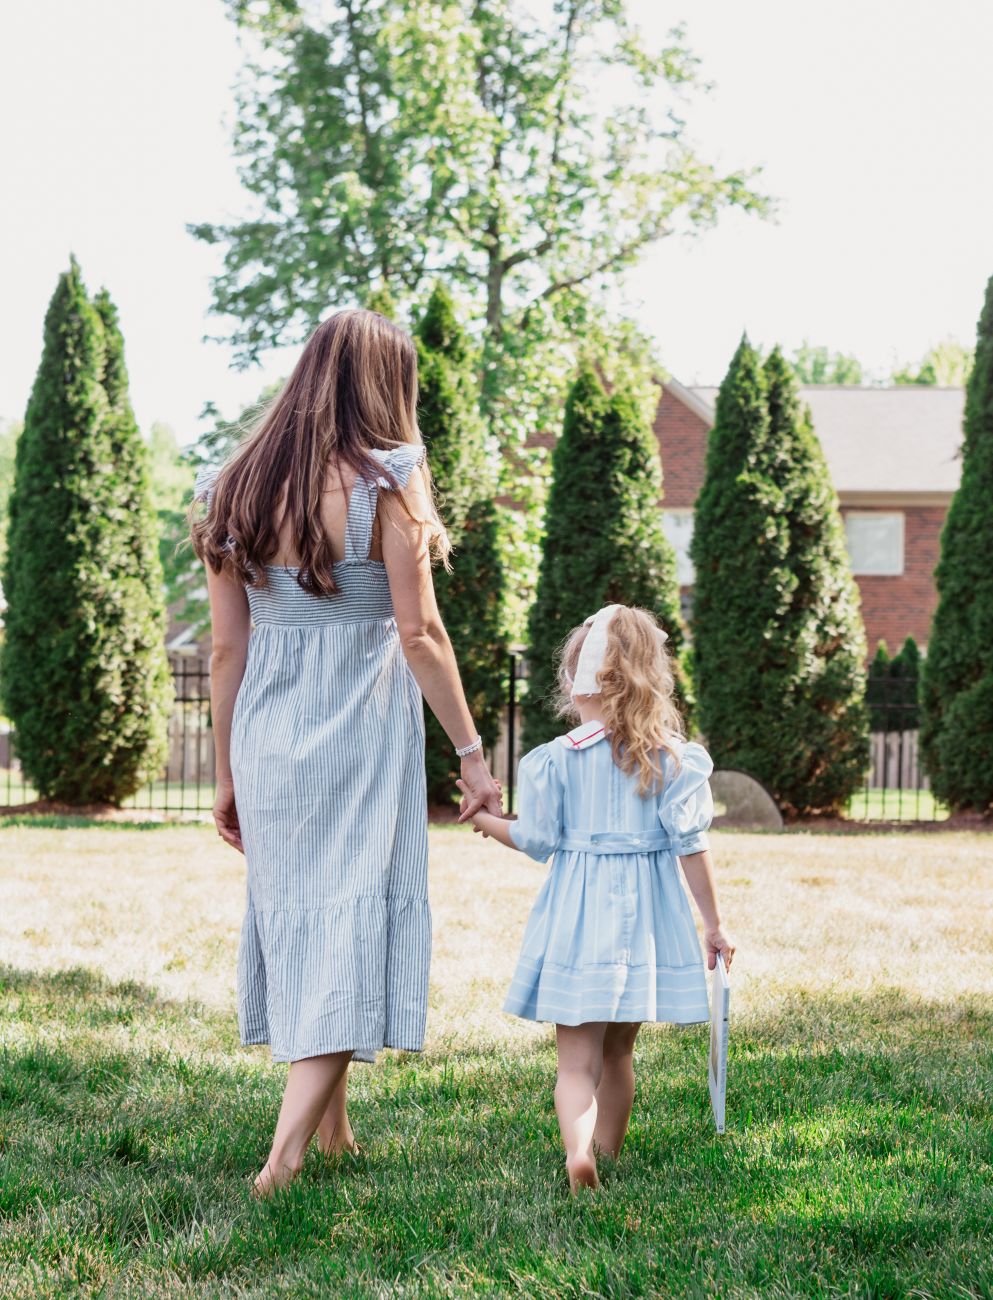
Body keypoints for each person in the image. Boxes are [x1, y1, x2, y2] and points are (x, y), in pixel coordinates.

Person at [191, 308, 502, 1197]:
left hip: (268, 732)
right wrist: (472, 756)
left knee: (305, 922)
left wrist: (225, 773)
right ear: (384, 385)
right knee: (351, 925)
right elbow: (421, 634)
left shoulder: (232, 486)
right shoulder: (391, 479)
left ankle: (335, 1135)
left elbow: (225, 651)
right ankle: (282, 1158)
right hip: (360, 729)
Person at [460, 604, 735, 1193]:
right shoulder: (672, 760)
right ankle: (606, 1152)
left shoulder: (556, 760)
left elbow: (535, 840)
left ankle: (578, 1153)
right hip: (645, 927)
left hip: (577, 922)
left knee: (575, 1061)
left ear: (572, 680)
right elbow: (692, 846)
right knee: (618, 1055)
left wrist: (486, 821)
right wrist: (713, 924)